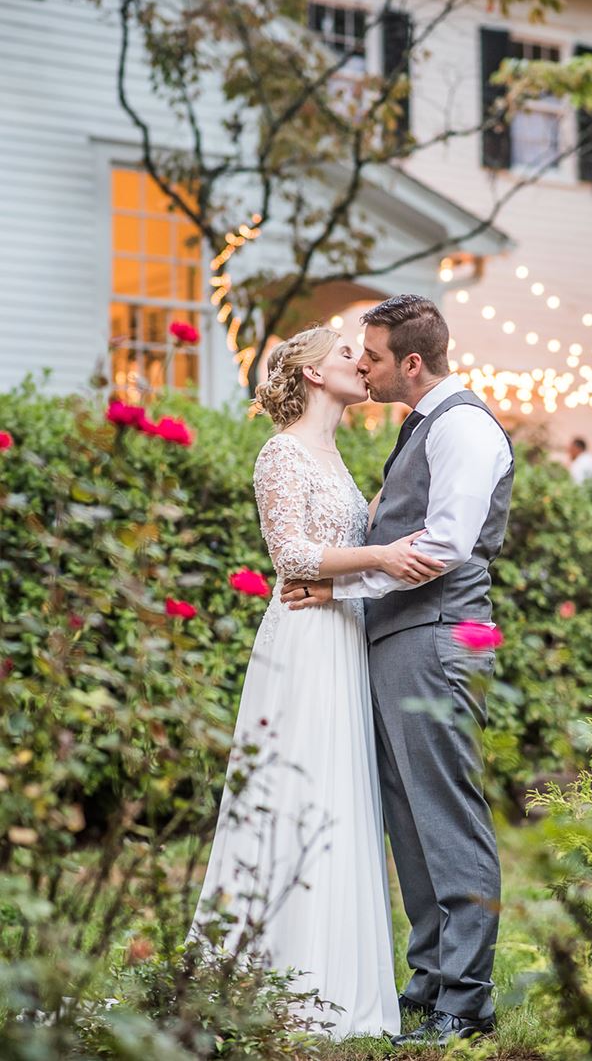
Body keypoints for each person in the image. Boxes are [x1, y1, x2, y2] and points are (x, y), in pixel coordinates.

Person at [188, 326, 446, 1040]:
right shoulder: (282, 451)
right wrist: (385, 556)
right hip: (301, 643)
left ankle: (339, 983)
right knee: (295, 790)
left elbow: (333, 564)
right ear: (307, 371)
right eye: (344, 354)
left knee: (341, 793)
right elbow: (291, 552)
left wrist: (366, 575)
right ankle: (273, 976)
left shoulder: (337, 453)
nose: (360, 363)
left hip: (341, 631)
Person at [281, 295, 515, 1046]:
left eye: (374, 355)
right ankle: (430, 975)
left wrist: (340, 585)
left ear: (411, 361)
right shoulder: (423, 429)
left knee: (445, 816)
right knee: (409, 821)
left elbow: (441, 548)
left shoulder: (465, 428)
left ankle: (467, 999)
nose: (366, 366)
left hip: (440, 636)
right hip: (399, 638)